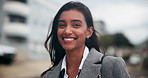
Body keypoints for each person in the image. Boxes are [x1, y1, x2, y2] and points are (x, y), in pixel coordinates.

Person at [41, 1, 131, 78]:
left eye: (76, 25)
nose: (67, 31)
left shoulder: (112, 66)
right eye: (62, 25)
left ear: (89, 32)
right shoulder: (48, 75)